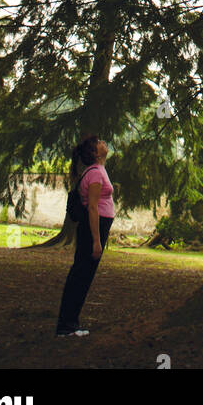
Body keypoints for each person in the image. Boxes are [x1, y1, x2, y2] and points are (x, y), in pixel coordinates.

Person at [55, 134, 115, 337]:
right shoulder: (96, 174)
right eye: (99, 143)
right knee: (81, 276)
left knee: (82, 276)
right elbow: (92, 208)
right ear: (94, 152)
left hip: (96, 228)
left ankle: (69, 323)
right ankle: (67, 325)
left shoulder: (97, 171)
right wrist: (97, 241)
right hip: (93, 229)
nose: (103, 143)